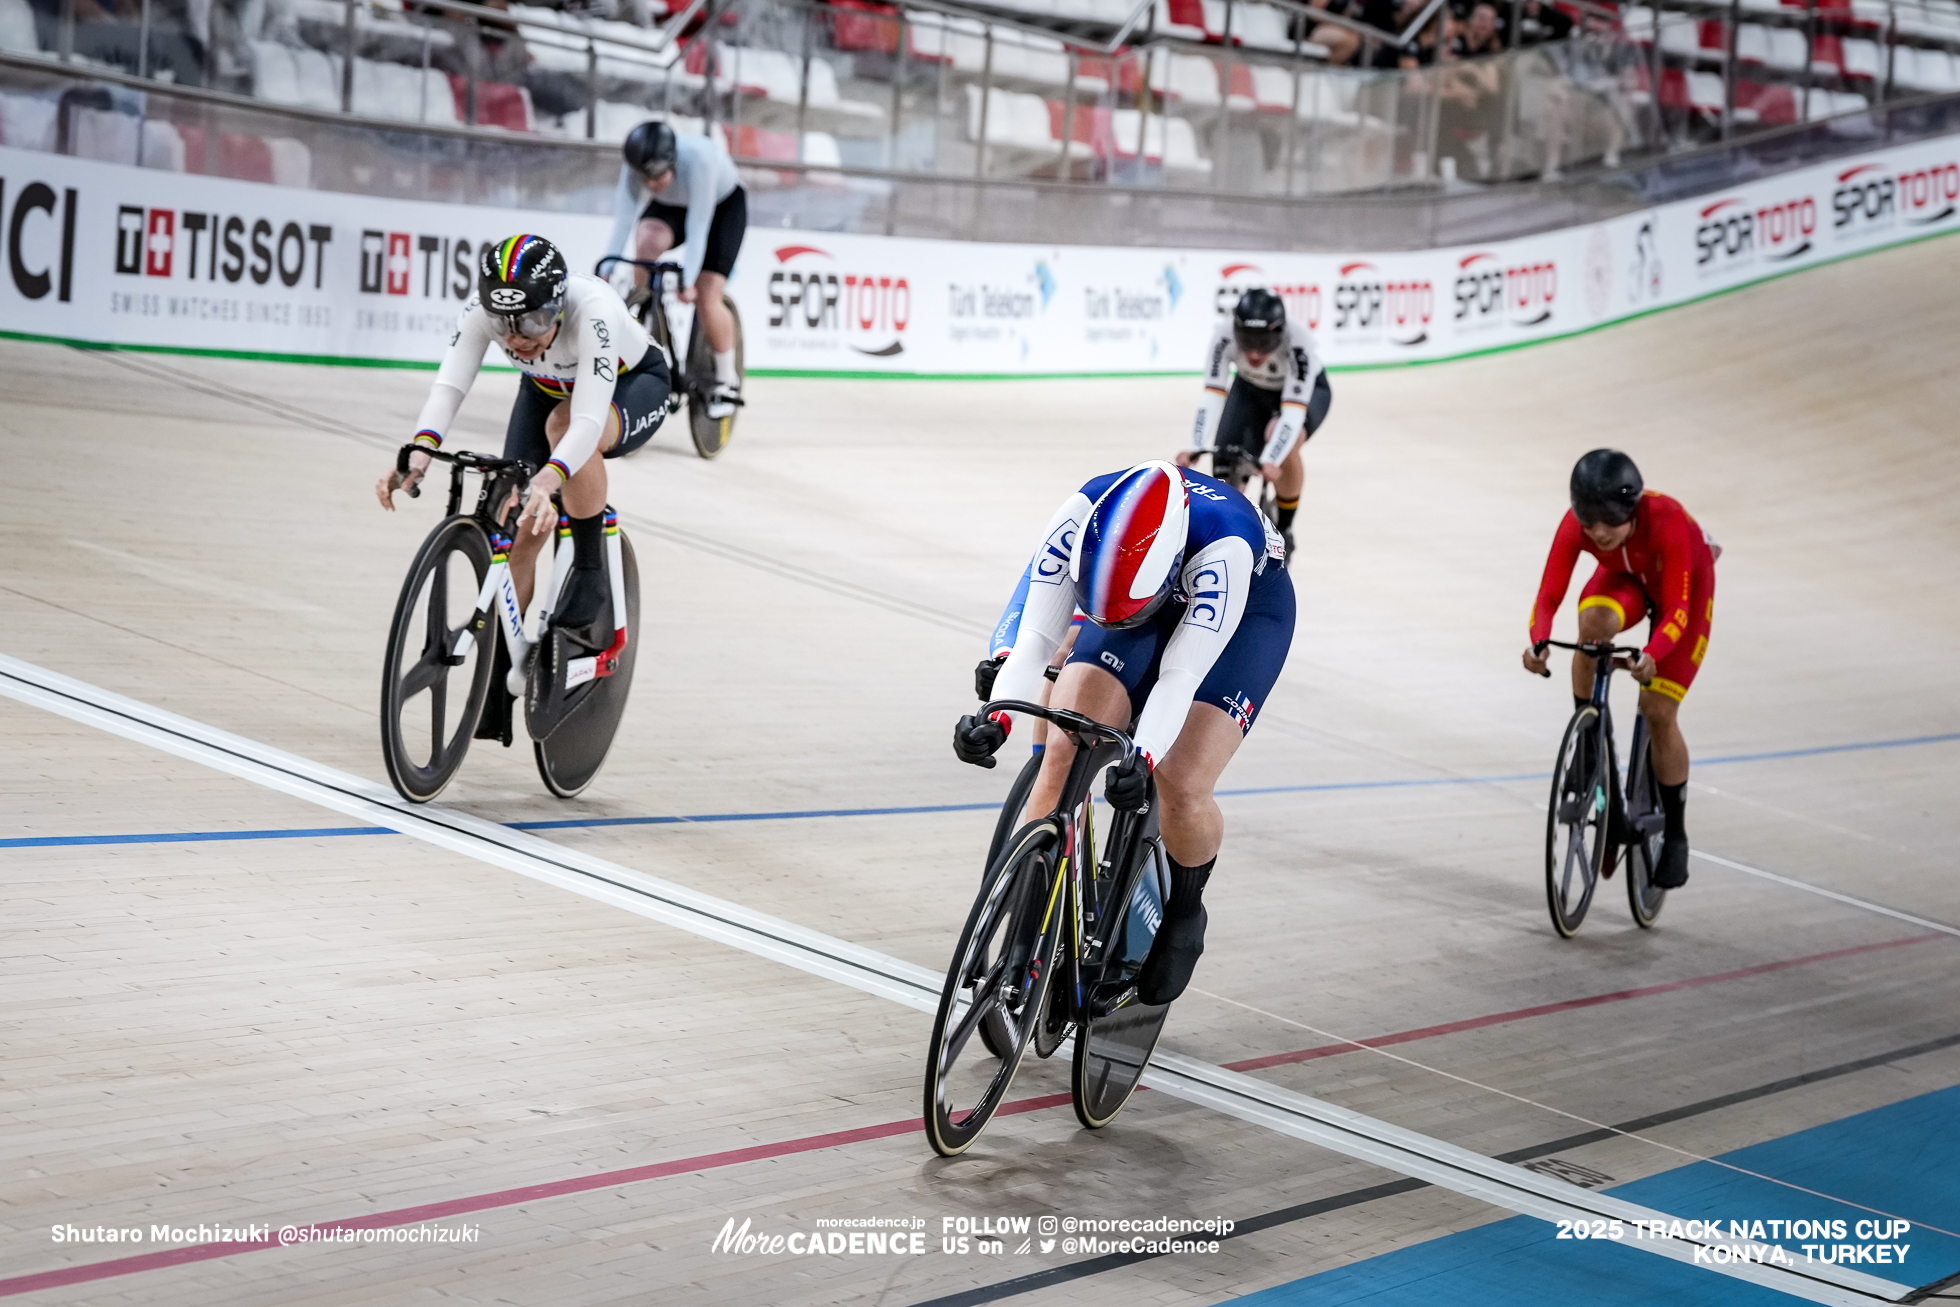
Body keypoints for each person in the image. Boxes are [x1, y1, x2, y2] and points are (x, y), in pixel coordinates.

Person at [954, 461, 1296, 1005]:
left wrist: (1145, 756)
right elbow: (1035, 637)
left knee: (1181, 781)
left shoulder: (1226, 550)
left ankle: (1185, 912)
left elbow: (1180, 678)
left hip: (1248, 615)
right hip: (1127, 604)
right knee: (1062, 752)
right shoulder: (1082, 512)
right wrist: (997, 717)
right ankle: (1025, 928)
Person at [375, 233, 669, 632]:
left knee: (563, 428)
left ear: (559, 305)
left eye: (534, 321)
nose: (518, 338)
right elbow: (449, 387)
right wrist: (420, 451)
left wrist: (548, 480)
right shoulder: (482, 310)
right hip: (544, 388)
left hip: (631, 384)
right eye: (503, 324)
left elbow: (586, 422)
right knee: (515, 515)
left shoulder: (593, 310)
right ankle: (500, 667)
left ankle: (589, 569)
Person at [1522, 449, 1718, 889]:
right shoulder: (1580, 527)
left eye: (1609, 522)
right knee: (1591, 628)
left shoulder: (1666, 520)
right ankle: (1591, 743)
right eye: (1588, 523)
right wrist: (1538, 639)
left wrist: (1653, 653)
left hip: (1683, 588)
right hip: (1628, 579)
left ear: (1631, 509)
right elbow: (1549, 596)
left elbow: (1679, 611)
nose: (1598, 533)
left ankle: (1677, 834)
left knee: (1657, 707)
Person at [1178, 288, 1330, 562]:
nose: (1255, 352)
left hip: (1301, 394)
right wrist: (1196, 447)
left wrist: (1272, 459)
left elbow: (1293, 414)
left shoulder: (1298, 343)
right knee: (1224, 463)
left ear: (1280, 333)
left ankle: (1285, 526)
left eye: (1264, 342)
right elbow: (1212, 396)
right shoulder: (1223, 336)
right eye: (1247, 341)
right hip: (1250, 388)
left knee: (1282, 441)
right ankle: (1225, 534)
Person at [607, 119, 746, 419]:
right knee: (644, 242)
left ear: (672, 161)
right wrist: (607, 266)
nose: (650, 184)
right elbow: (623, 221)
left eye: (656, 176)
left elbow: (698, 227)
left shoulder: (699, 160)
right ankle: (645, 309)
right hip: (671, 205)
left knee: (707, 296)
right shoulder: (638, 165)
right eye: (645, 179)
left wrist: (689, 282)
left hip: (722, 205)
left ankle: (726, 379)